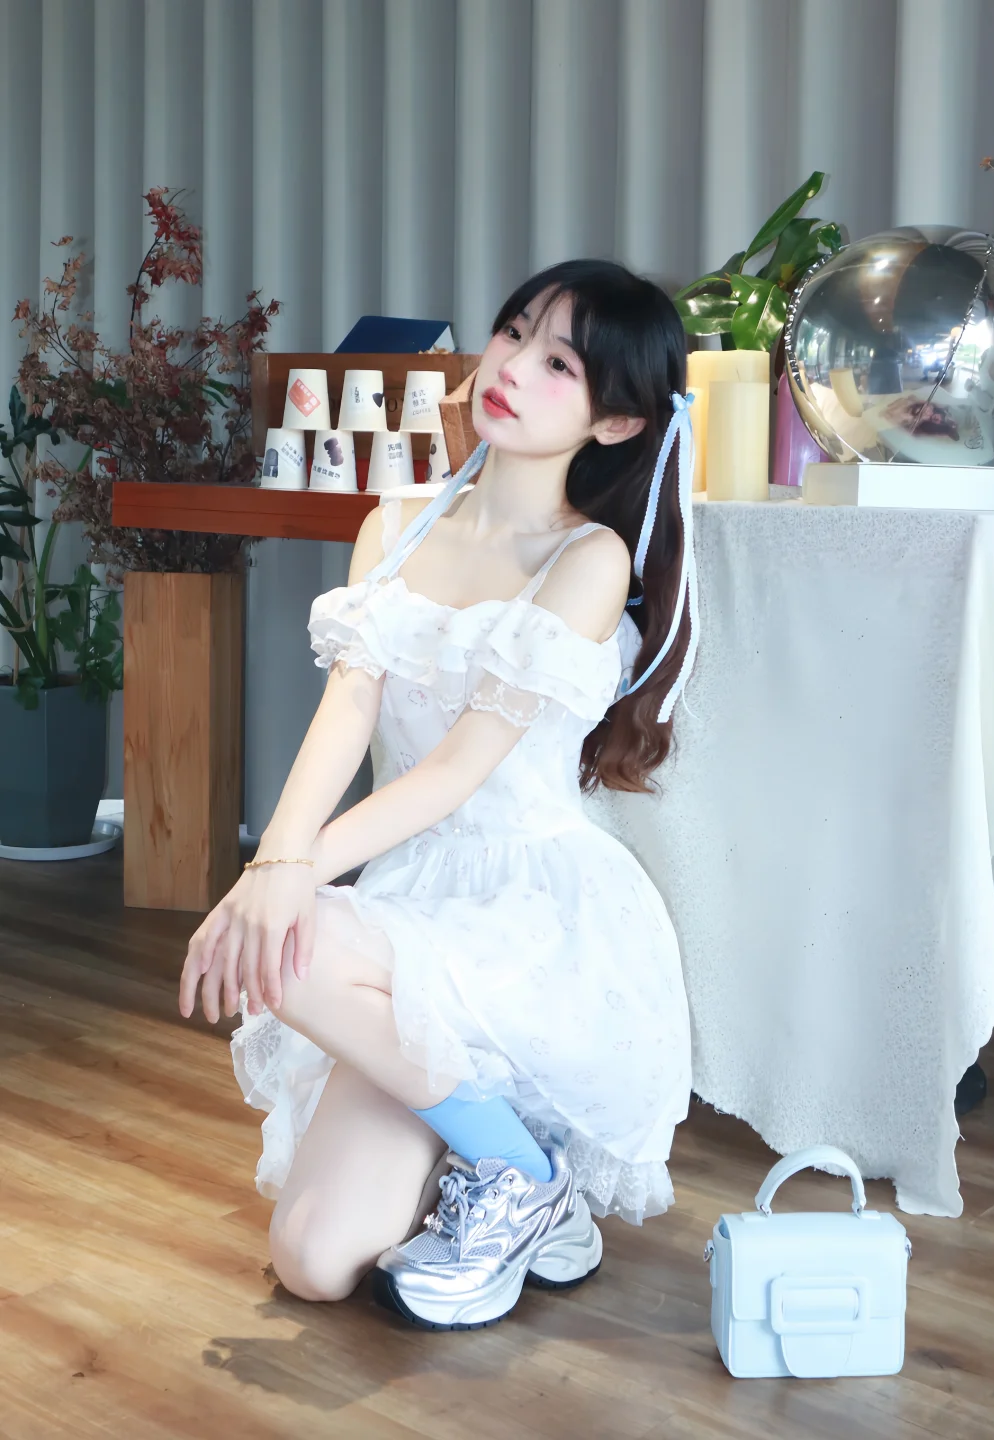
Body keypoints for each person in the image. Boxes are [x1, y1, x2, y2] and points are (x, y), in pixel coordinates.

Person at [178, 258, 700, 1331]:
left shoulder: (590, 559)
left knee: (296, 945)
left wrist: (287, 880)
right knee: (312, 1262)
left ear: (616, 422)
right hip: (411, 903)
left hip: (529, 915)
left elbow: (458, 770)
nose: (512, 366)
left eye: (560, 364)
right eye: (513, 332)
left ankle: (520, 1171)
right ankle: (510, 1163)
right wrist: (272, 864)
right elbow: (346, 712)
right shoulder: (398, 522)